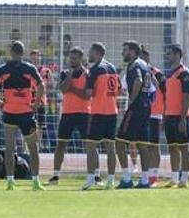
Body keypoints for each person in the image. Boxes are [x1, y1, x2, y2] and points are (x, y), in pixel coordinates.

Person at [0, 40, 45, 191]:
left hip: (9, 113)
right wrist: (36, 104)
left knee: (9, 148)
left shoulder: (4, 69)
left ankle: (10, 181)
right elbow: (42, 86)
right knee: (33, 148)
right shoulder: (30, 68)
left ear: (11, 52)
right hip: (26, 113)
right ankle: (35, 181)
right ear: (23, 52)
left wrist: (0, 102)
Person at [115, 40, 154, 189]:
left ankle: (126, 178)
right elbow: (151, 85)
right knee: (142, 145)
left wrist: (132, 99)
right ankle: (144, 180)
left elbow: (138, 80)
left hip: (136, 107)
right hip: (145, 106)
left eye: (125, 50)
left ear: (132, 51)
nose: (123, 53)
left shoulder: (135, 65)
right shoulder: (144, 64)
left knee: (119, 141)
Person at [50, 47, 90, 187]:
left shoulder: (87, 74)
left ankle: (95, 175)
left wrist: (72, 89)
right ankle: (55, 175)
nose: (71, 60)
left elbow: (86, 94)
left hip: (84, 113)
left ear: (80, 58)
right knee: (61, 144)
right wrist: (70, 76)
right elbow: (62, 89)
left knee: (89, 145)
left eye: (74, 58)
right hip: (67, 113)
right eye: (70, 58)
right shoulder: (65, 73)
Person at [83, 42, 120, 190]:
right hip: (112, 111)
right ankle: (111, 180)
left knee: (91, 146)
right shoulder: (112, 68)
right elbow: (118, 89)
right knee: (110, 148)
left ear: (96, 52)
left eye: (90, 51)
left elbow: (88, 93)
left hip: (99, 112)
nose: (89, 54)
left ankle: (91, 178)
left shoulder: (95, 70)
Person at [162, 44, 189, 188]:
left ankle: (184, 179)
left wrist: (183, 119)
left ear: (177, 54)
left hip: (181, 116)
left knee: (184, 147)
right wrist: (164, 116)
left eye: (169, 53)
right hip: (169, 115)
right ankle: (174, 178)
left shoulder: (184, 73)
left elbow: (186, 97)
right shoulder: (169, 73)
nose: (167, 56)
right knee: (172, 147)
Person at [140, 46, 165, 186]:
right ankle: (147, 174)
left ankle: (154, 175)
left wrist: (164, 115)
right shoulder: (136, 72)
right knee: (144, 146)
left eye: (145, 57)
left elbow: (163, 89)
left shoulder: (157, 73)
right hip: (142, 113)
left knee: (154, 146)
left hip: (155, 114)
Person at [30, 49, 53, 152]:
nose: (35, 58)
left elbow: (51, 85)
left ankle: (37, 146)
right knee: (28, 124)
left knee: (40, 125)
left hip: (41, 102)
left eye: (37, 56)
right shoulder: (27, 69)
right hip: (28, 102)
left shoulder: (46, 71)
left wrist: (43, 92)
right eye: (33, 56)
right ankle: (28, 146)